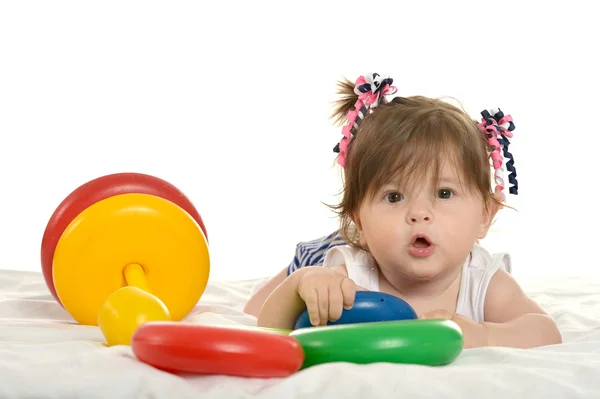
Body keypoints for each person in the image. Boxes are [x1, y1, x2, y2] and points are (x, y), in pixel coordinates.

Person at [244, 72, 561, 349]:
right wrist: (302, 283)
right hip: (337, 247)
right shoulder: (353, 275)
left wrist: (483, 335)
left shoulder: (482, 280)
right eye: (394, 196)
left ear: (485, 216)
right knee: (273, 292)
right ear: (359, 217)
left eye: (444, 193)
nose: (420, 213)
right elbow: (265, 320)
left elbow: (544, 331)